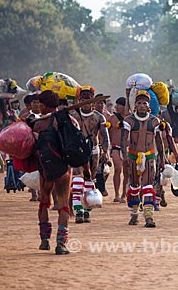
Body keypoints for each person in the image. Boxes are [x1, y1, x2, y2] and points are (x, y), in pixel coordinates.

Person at [33, 90, 74, 255]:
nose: (38, 106)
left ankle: (44, 240)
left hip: (45, 170)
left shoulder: (38, 124)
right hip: (64, 169)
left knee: (44, 201)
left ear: (44, 104)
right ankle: (61, 243)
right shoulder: (69, 121)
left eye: (40, 103)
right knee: (64, 204)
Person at [122, 90, 165, 227]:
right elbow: (123, 140)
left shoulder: (154, 121)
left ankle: (148, 216)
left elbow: (159, 142)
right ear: (135, 106)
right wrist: (124, 156)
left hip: (150, 156)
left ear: (148, 106)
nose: (141, 105)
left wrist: (162, 159)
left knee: (148, 185)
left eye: (144, 103)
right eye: (139, 103)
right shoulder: (129, 120)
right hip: (134, 156)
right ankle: (134, 214)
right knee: (134, 187)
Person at [71, 86, 110, 223]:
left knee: (89, 181)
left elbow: (105, 137)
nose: (86, 100)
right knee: (77, 180)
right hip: (77, 151)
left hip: (93, 151)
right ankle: (78, 210)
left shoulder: (99, 117)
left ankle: (87, 210)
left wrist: (107, 152)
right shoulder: (73, 116)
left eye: (89, 97)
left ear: (93, 101)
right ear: (79, 99)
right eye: (83, 97)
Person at [107, 97, 130, 203]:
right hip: (116, 146)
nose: (117, 107)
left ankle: (124, 194)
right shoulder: (112, 118)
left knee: (127, 171)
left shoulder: (131, 118)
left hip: (128, 148)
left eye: (119, 105)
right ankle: (116, 194)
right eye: (116, 105)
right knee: (117, 168)